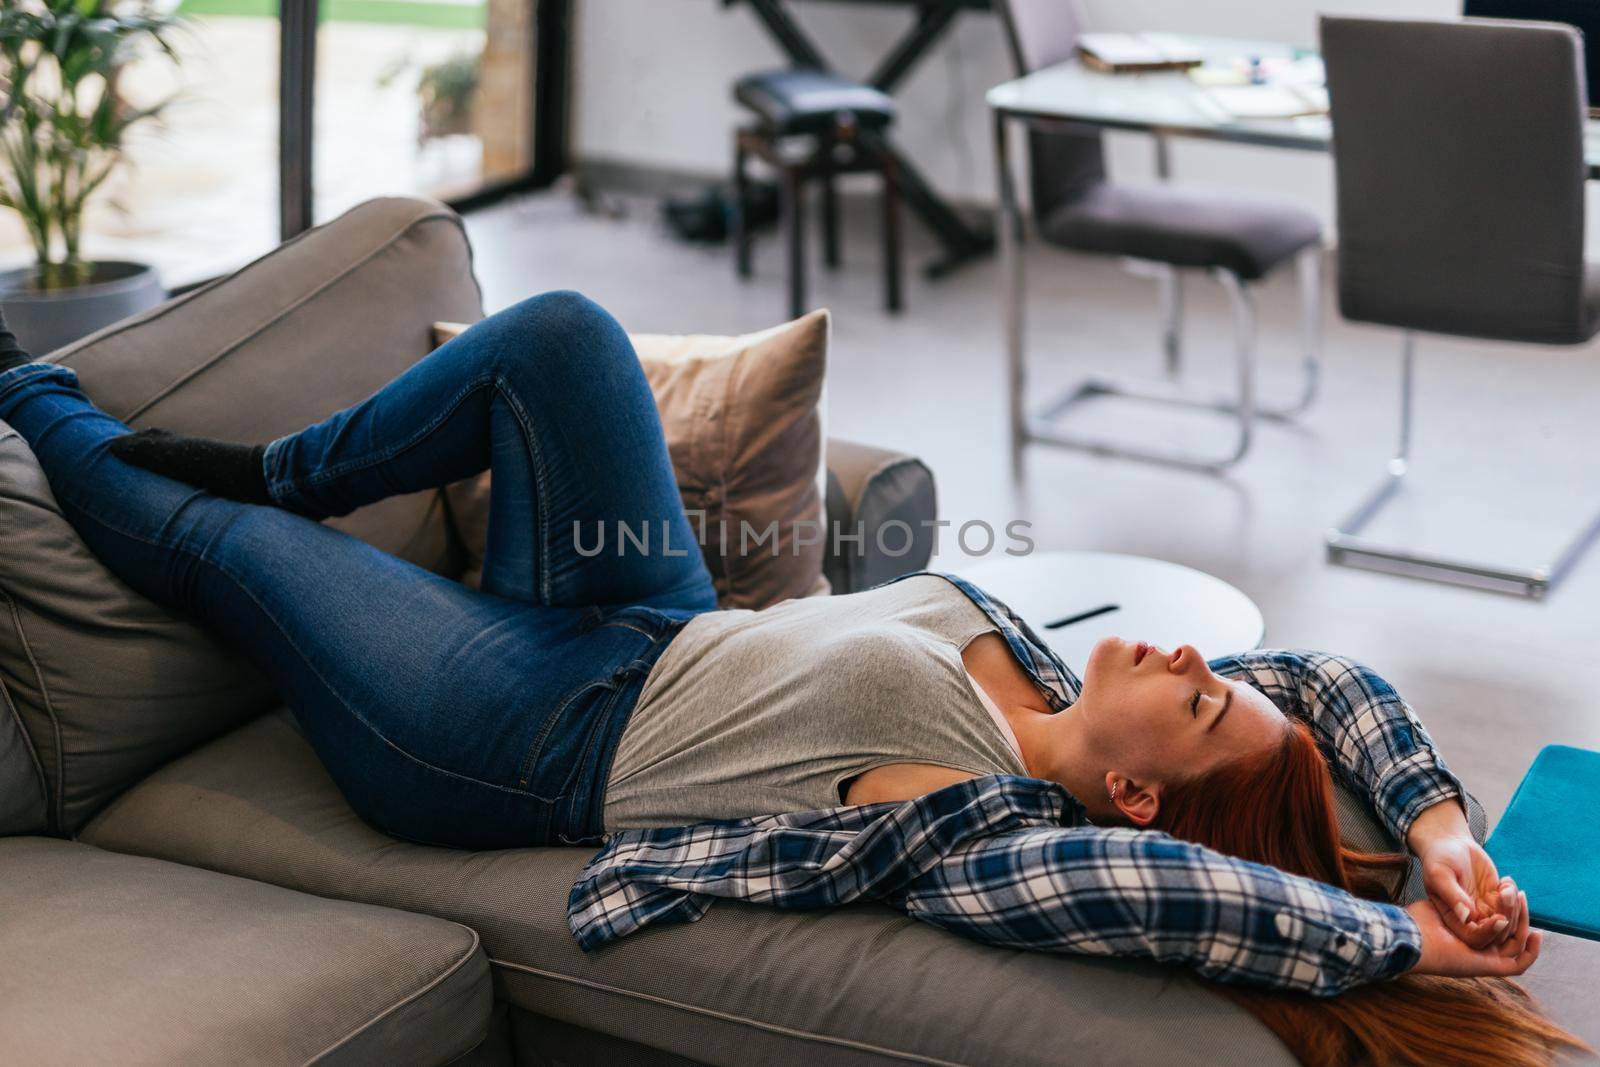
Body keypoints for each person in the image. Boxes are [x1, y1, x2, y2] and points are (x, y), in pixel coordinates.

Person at [0, 294, 1577, 1063]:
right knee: (558, 336)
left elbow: (1176, 899)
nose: (1193, 654)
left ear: (1142, 790)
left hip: (516, 732)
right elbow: (1321, 670)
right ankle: (294, 463)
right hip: (646, 620)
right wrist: (1442, 839)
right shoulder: (1039, 671)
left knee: (210, 540)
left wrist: (1406, 946)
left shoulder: (982, 827)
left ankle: (30, 388)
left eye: (1204, 697)